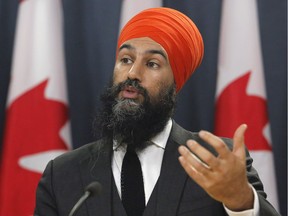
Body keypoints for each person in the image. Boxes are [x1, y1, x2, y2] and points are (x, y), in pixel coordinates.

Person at [34, 7, 280, 216]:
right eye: (126, 59)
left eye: (152, 64)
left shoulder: (216, 161)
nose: (132, 74)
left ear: (176, 84)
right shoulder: (62, 174)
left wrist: (241, 201)